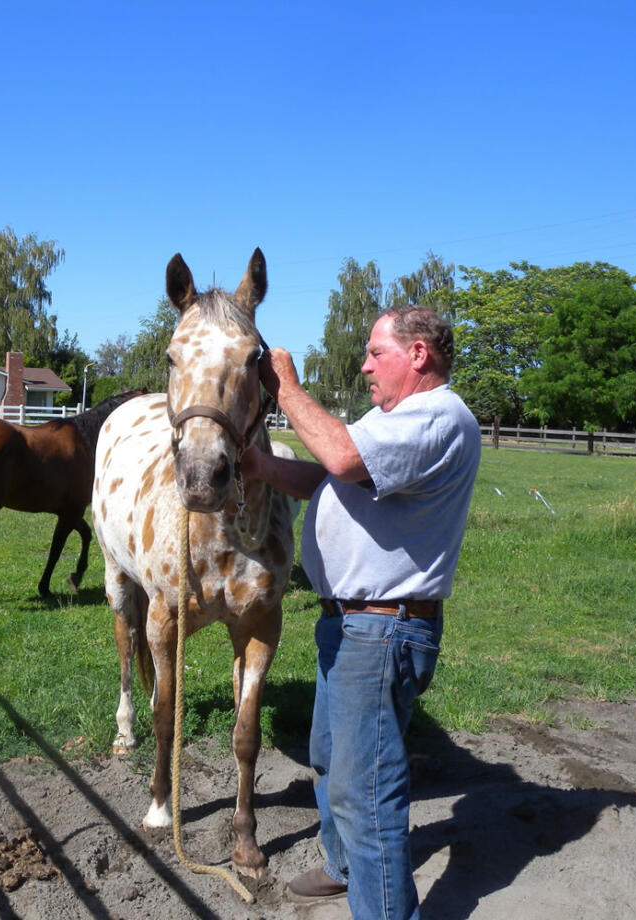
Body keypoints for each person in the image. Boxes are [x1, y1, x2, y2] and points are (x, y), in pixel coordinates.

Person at [241, 305, 480, 919]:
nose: (365, 364)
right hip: (351, 624)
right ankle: (344, 866)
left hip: (381, 628)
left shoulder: (436, 417)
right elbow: (329, 480)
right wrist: (260, 466)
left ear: (418, 355)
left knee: (366, 793)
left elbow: (343, 459)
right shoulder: (391, 419)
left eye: (376, 353)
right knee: (328, 757)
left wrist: (287, 389)